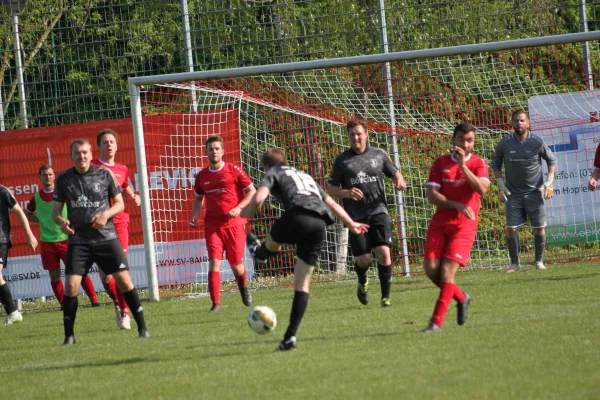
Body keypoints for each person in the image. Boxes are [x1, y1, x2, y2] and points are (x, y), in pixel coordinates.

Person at [242, 148, 369, 351]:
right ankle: (290, 337)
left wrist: (246, 213)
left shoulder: (273, 173)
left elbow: (258, 199)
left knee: (274, 241)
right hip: (319, 225)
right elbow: (332, 204)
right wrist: (352, 224)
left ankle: (260, 253)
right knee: (302, 284)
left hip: (297, 216)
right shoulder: (305, 175)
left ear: (267, 166)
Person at [53, 139, 149, 345]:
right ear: (71, 156)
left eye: (85, 152)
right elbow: (55, 213)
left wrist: (105, 215)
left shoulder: (104, 174)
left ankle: (142, 327)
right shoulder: (63, 179)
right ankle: (69, 336)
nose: (82, 156)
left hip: (106, 238)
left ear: (90, 153)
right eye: (77, 153)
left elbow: (120, 204)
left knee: (124, 280)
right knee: (71, 285)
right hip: (79, 242)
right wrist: (62, 222)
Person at [327, 118, 407, 307]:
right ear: (348, 136)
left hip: (378, 210)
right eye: (352, 134)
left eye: (359, 134)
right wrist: (346, 192)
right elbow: (330, 190)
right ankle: (362, 281)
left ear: (366, 134)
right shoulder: (342, 161)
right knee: (363, 260)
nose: (356, 137)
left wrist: (399, 180)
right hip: (355, 216)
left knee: (384, 252)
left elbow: (395, 172)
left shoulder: (378, 155)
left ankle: (385, 297)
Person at [422, 123, 490, 333]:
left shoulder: (478, 163)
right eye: (462, 139)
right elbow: (432, 195)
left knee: (447, 272)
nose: (466, 144)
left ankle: (435, 323)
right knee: (431, 270)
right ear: (453, 140)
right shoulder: (440, 162)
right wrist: (456, 204)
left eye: (470, 141)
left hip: (464, 226)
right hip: (440, 223)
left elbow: (482, 189)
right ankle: (461, 297)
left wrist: (463, 167)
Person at [189, 135, 256, 312]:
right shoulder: (202, 176)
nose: (214, 151)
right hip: (213, 225)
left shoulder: (234, 170)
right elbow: (198, 199)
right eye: (211, 149)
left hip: (234, 223)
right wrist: (195, 215)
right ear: (206, 152)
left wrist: (238, 207)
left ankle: (242, 287)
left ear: (223, 151)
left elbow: (251, 191)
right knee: (214, 262)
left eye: (217, 148)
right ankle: (216, 304)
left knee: (236, 265)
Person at [26, 165, 100, 308]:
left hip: (66, 240)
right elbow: (28, 213)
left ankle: (94, 300)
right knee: (55, 276)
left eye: (50, 174)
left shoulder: (63, 193)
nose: (47, 177)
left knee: (79, 272)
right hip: (47, 242)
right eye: (44, 175)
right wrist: (41, 220)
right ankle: (64, 304)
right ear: (39, 177)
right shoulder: (36, 197)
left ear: (54, 176)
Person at [491, 110, 557, 272]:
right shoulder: (504, 143)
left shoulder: (537, 141)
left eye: (522, 121)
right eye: (516, 121)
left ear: (528, 123)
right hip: (513, 194)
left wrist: (549, 181)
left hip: (535, 192)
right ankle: (514, 263)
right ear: (512, 123)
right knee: (511, 228)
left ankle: (539, 262)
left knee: (539, 227)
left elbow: (551, 160)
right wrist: (500, 183)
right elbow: (495, 164)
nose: (519, 123)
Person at [90, 129, 141, 329]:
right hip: (99, 225)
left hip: (119, 222)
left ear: (117, 146)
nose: (109, 145)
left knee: (121, 269)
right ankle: (117, 303)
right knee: (105, 275)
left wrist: (133, 195)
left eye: (112, 142)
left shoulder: (122, 168)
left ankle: (125, 312)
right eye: (105, 142)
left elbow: (125, 185)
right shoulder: (92, 167)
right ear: (99, 146)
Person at [0, 185, 38, 325]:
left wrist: (29, 234)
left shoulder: (3, 191)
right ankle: (13, 313)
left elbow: (19, 211)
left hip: (1, 239)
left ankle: (14, 313)